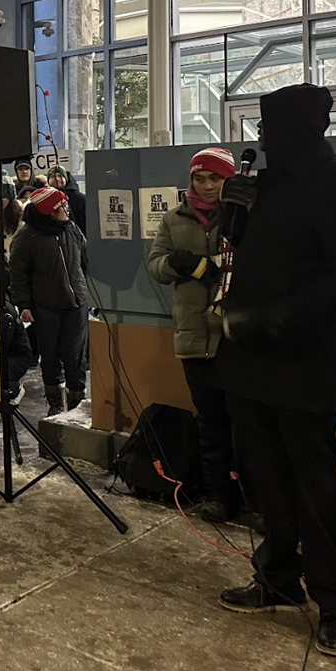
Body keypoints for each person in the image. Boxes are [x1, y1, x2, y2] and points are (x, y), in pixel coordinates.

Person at [214, 83, 336, 659]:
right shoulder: (260, 191)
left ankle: (334, 601)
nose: (260, 139)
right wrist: (230, 215)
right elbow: (240, 257)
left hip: (307, 362)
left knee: (314, 486)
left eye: (266, 129)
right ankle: (278, 578)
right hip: (251, 361)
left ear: (296, 131)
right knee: (265, 479)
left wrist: (275, 318)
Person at [147, 147, 243, 522]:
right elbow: (155, 264)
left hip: (236, 336)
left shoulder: (240, 216)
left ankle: (261, 497)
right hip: (193, 337)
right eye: (199, 178)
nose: (205, 187)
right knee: (211, 422)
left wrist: (218, 266)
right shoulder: (174, 218)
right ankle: (220, 495)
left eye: (214, 179)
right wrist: (177, 263)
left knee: (247, 423)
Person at [10, 185, 89, 417]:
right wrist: (23, 305)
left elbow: (84, 258)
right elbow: (18, 274)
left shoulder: (72, 229)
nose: (67, 209)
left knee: (76, 355)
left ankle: (77, 402)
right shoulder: (26, 237)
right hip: (46, 306)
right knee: (50, 355)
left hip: (76, 303)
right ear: (49, 211)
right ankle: (55, 402)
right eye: (61, 206)